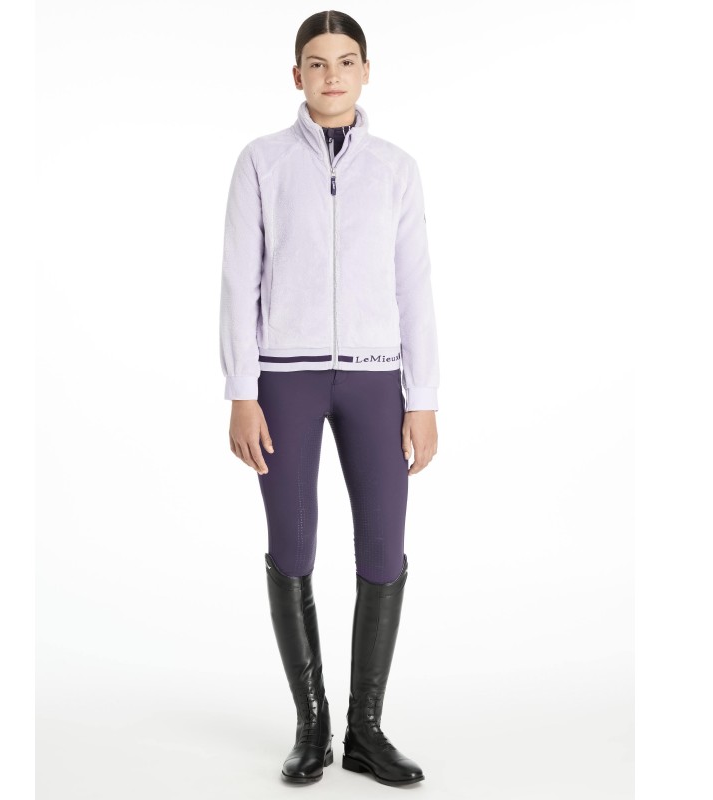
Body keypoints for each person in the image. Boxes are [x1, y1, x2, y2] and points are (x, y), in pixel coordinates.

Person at [218, 9, 439, 787]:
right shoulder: (262, 162)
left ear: (366, 71)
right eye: (317, 62)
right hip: (285, 379)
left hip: (378, 380)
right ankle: (311, 726)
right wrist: (241, 391)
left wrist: (423, 396)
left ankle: (366, 732)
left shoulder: (397, 169)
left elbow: (415, 286)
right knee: (292, 546)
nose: (333, 75)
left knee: (383, 549)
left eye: (346, 61)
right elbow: (238, 281)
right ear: (297, 75)